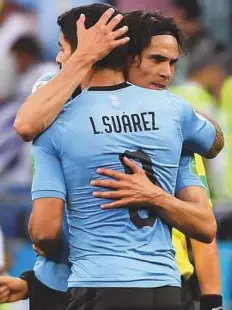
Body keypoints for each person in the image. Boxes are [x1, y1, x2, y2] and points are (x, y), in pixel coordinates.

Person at [2, 5, 222, 310]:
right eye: (157, 60)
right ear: (127, 57)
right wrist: (33, 283)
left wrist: (156, 196)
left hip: (111, 283)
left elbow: (45, 230)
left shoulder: (172, 117)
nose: (167, 73)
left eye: (172, 63)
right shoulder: (172, 116)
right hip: (155, 285)